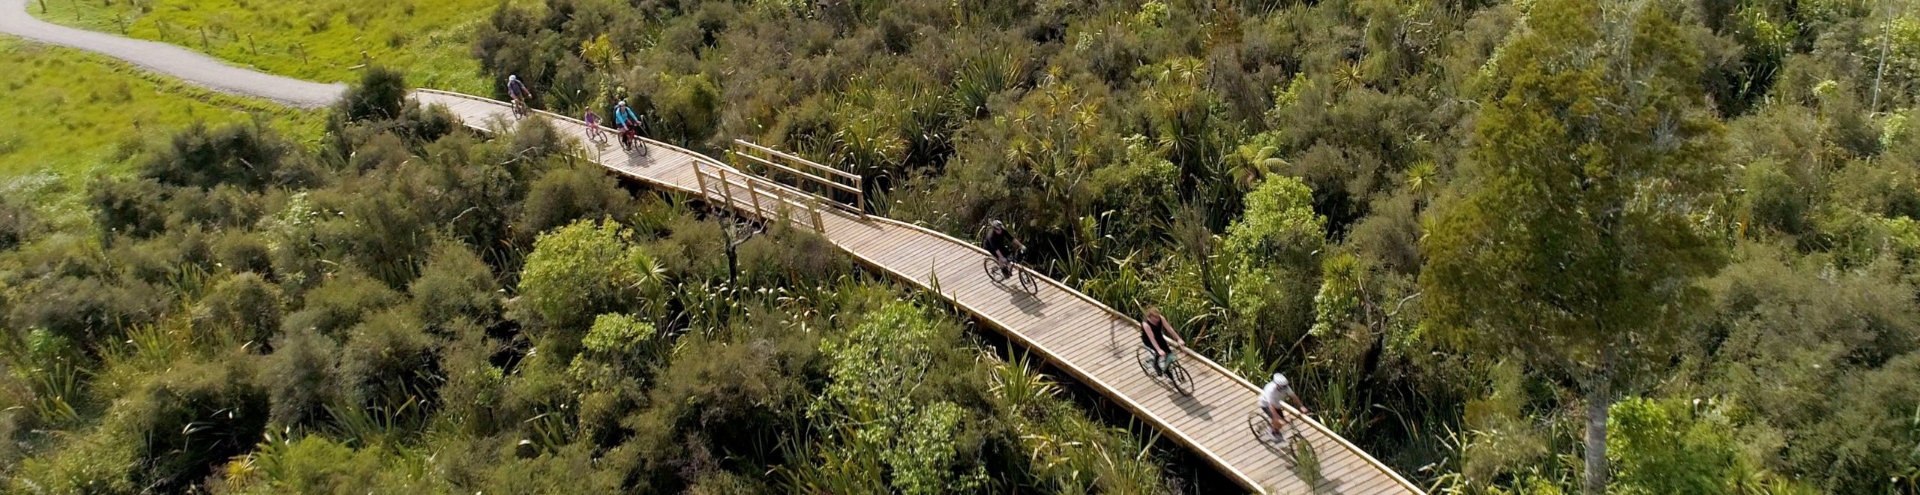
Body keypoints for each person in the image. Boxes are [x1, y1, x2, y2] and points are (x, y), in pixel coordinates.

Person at [1258, 373, 1310, 444]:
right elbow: (1271, 406)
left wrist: (1301, 406)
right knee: (1278, 420)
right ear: (1277, 385)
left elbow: (1294, 397)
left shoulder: (1286, 387)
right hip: (1266, 404)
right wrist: (1276, 417)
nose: (1284, 388)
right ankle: (1272, 431)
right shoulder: (1270, 390)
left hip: (1276, 404)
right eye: (1282, 387)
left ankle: (1275, 428)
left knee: (1281, 420)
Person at [1139, 306, 1185, 374]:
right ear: (1150, 316)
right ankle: (1155, 364)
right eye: (1155, 317)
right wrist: (1159, 350)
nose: (1157, 319)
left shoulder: (1161, 318)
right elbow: (1152, 339)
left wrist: (1178, 338)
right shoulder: (1146, 324)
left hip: (1159, 337)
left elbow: (1169, 328)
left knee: (1169, 353)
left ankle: (1166, 369)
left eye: (1158, 317)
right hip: (1149, 340)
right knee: (1158, 353)